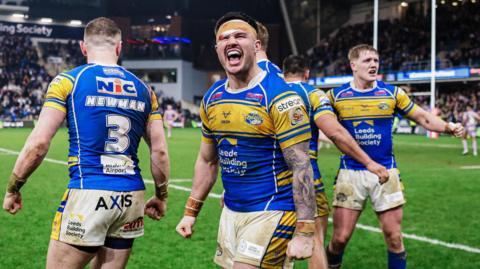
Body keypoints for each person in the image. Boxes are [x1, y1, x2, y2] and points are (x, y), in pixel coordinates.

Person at [2, 17, 170, 269]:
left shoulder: (68, 81)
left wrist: (14, 187)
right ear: (119, 47)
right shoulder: (145, 90)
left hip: (88, 190)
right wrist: (161, 195)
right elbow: (159, 151)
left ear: (83, 47)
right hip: (130, 197)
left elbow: (38, 144)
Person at [175, 12, 317, 269]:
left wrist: (305, 231)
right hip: (231, 211)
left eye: (240, 36)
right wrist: (190, 212)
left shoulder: (280, 97)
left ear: (257, 45)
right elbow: (207, 161)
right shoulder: (212, 97)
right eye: (224, 38)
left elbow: (301, 165)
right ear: (218, 48)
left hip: (273, 211)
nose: (231, 41)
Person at [324, 44, 464, 269]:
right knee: (339, 239)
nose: (373, 65)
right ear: (353, 65)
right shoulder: (335, 96)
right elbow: (323, 125)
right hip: (350, 173)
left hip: (386, 172)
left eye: (376, 61)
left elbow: (422, 117)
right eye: (368, 60)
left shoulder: (392, 93)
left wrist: (448, 126)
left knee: (394, 237)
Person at [282, 54, 389, 269]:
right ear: (307, 73)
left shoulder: (270, 94)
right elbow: (336, 133)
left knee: (274, 241)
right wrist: (369, 162)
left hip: (270, 178)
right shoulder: (313, 94)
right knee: (316, 240)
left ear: (284, 74)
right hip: (307, 178)